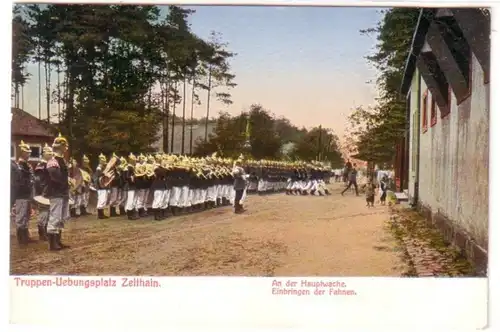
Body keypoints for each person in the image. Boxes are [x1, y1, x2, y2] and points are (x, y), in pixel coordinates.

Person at [46, 133, 71, 251]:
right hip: (56, 192)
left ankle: (58, 241)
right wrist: (65, 182)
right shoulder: (53, 161)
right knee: (55, 217)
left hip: (63, 192)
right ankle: (52, 243)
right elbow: (55, 178)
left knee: (61, 217)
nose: (66, 147)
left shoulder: (62, 160)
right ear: (60, 146)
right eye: (64, 145)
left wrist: (68, 182)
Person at [14, 140, 35, 245]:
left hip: (27, 194)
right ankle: (21, 238)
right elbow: (18, 181)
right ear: (22, 152)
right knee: (21, 216)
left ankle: (26, 235)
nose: (29, 154)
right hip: (21, 194)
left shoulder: (27, 165)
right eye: (27, 152)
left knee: (26, 216)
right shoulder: (18, 166)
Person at [33, 143, 53, 241]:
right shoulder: (41, 166)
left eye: (51, 152)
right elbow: (39, 181)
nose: (51, 154)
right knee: (43, 213)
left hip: (50, 192)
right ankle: (42, 233)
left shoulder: (50, 165)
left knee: (49, 213)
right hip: (43, 193)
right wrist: (42, 193)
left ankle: (46, 231)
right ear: (43, 153)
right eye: (48, 152)